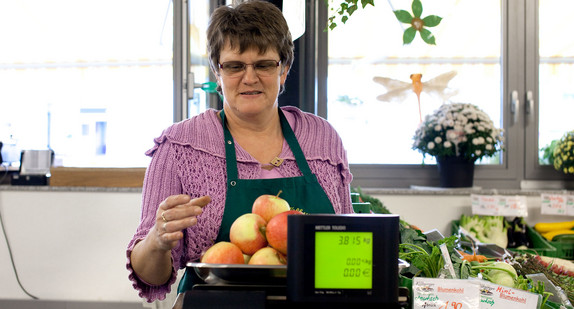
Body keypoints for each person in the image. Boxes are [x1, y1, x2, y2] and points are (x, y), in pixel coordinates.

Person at [126, 0, 354, 303]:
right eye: (234, 66)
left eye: (263, 64)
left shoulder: (322, 139)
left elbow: (347, 245)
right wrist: (157, 239)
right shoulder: (179, 146)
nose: (249, 77)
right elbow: (148, 275)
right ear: (217, 72)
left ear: (283, 69)